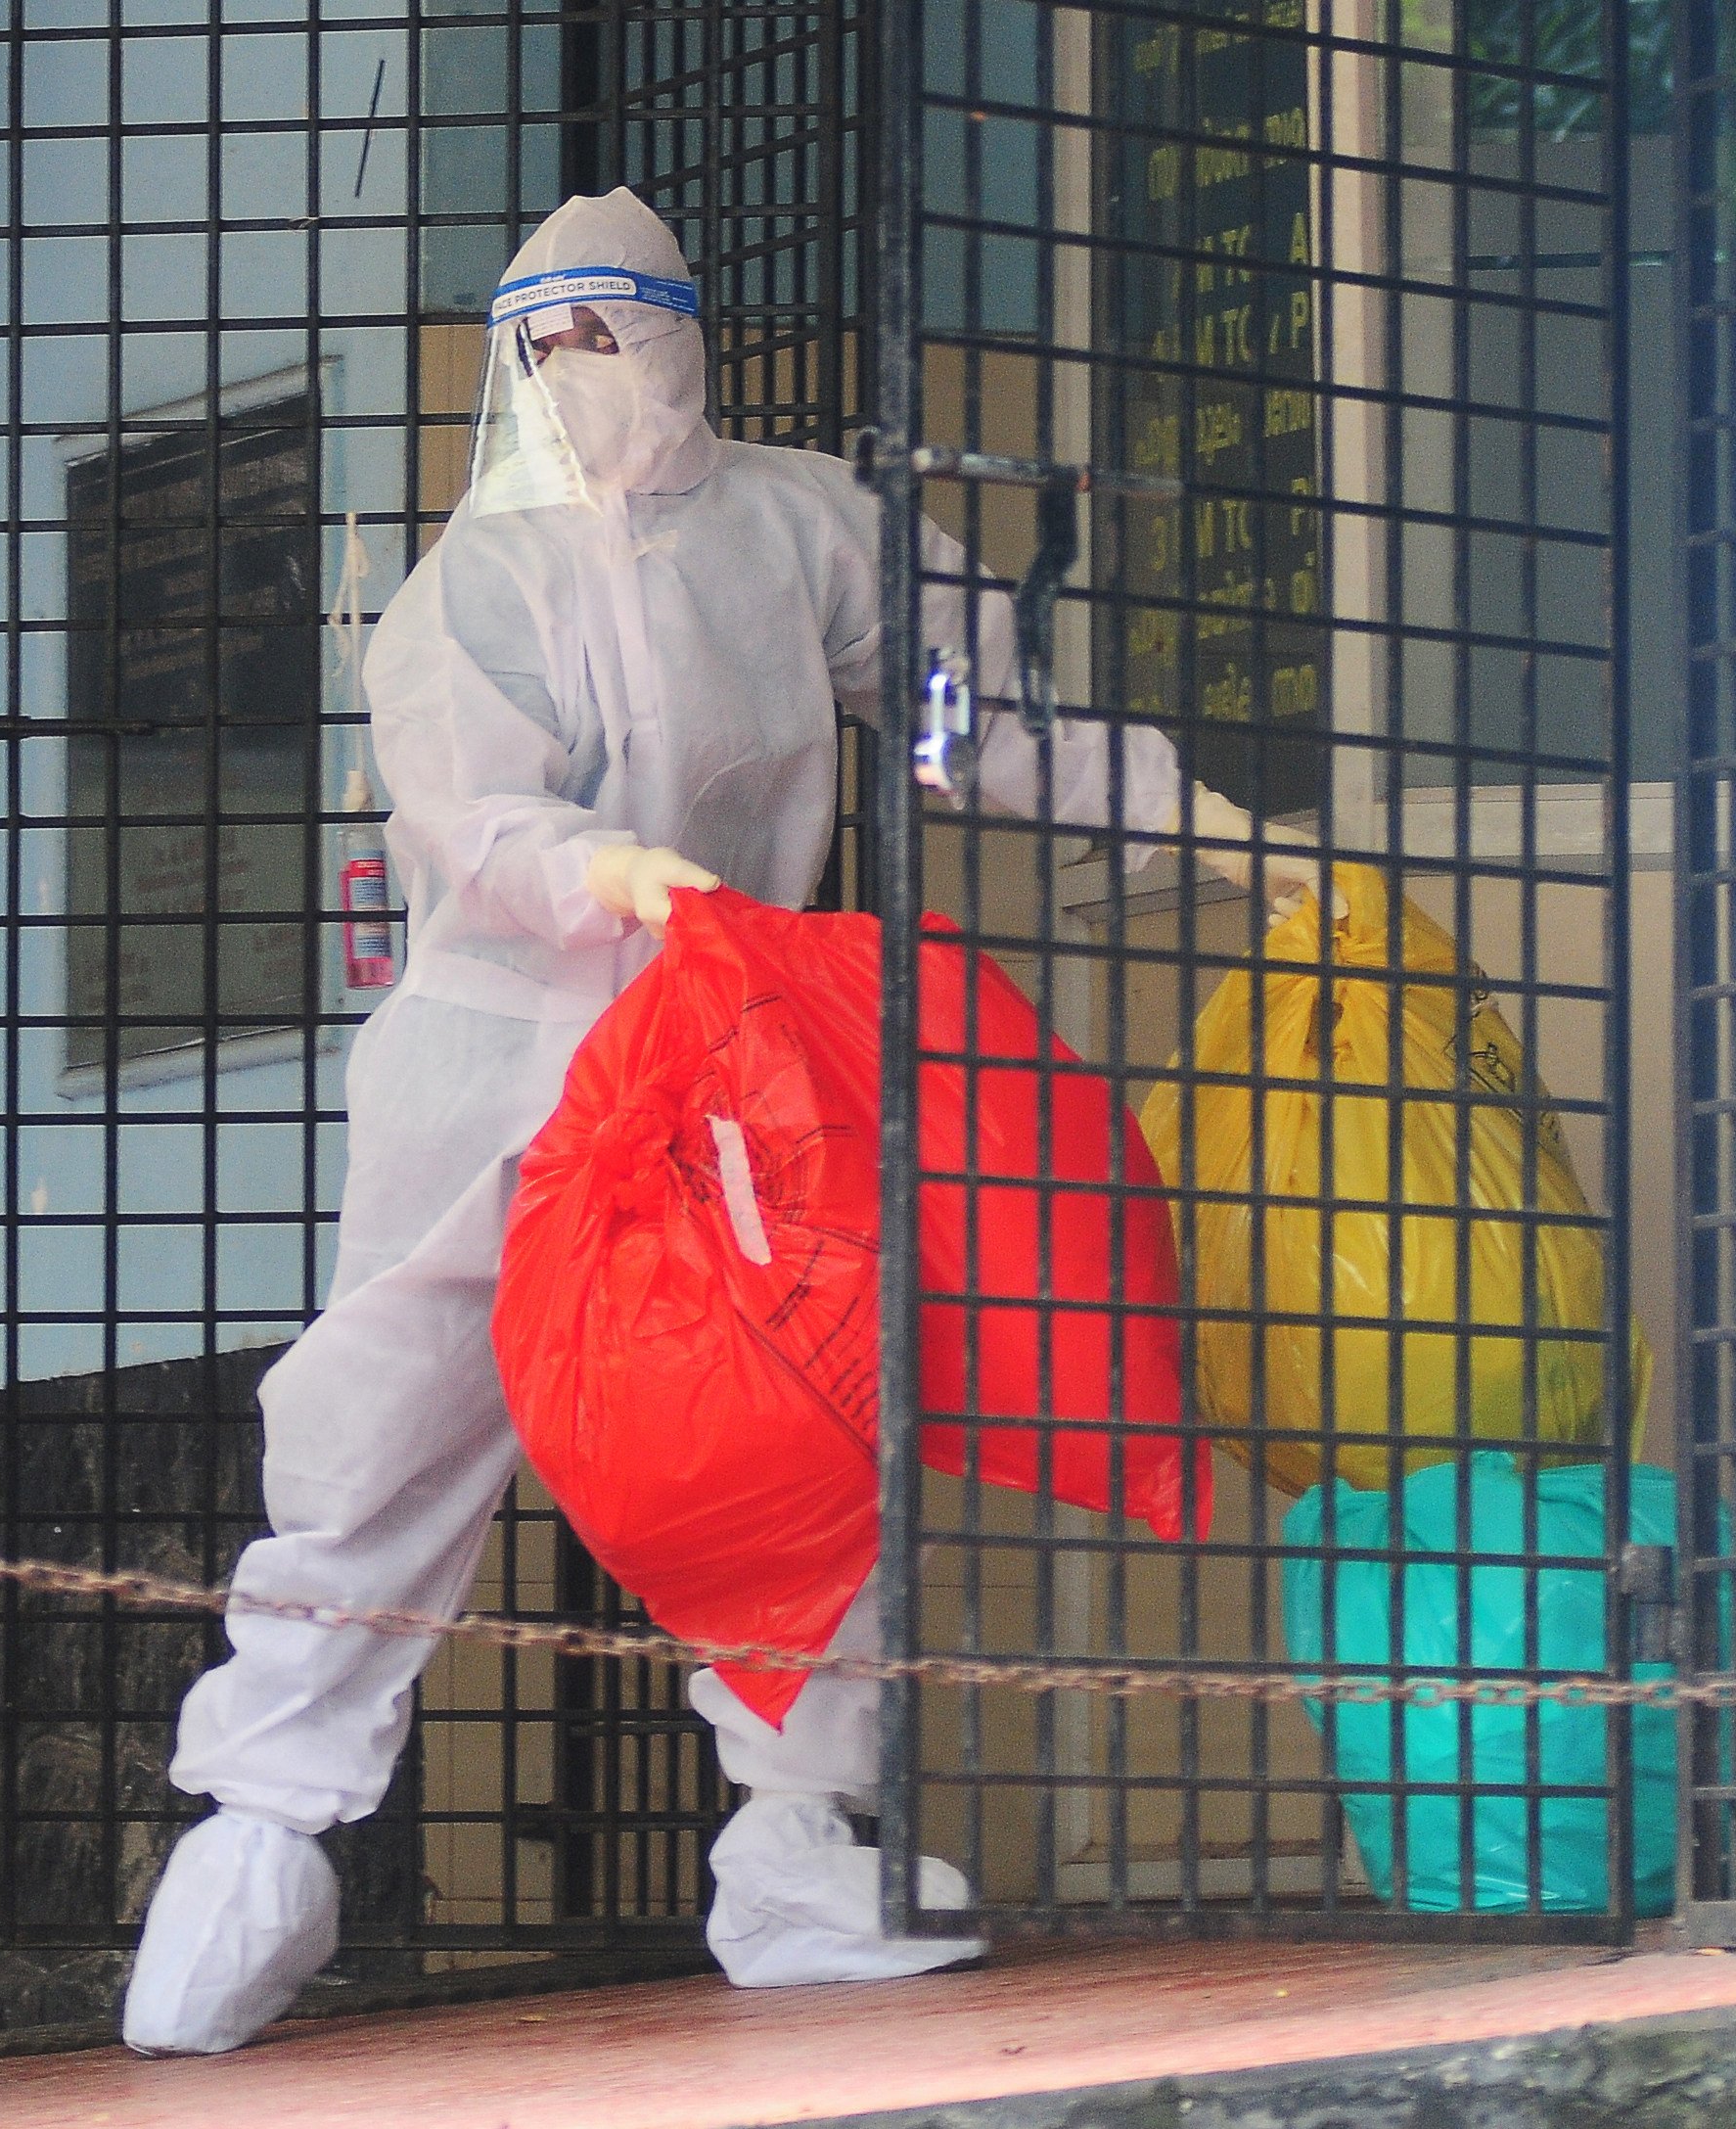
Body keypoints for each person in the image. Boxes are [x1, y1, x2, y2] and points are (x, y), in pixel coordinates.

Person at [118, 187, 1318, 2057]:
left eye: (622, 326)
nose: (591, 368)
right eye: (555, 336)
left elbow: (959, 721)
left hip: (724, 1081)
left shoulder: (797, 531)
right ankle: (253, 1854)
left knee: (802, 1427)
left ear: (686, 330)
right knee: (386, 1429)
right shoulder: (471, 587)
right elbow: (470, 815)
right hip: (500, 1073)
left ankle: (795, 1852)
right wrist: (610, 871)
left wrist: (1193, 825)